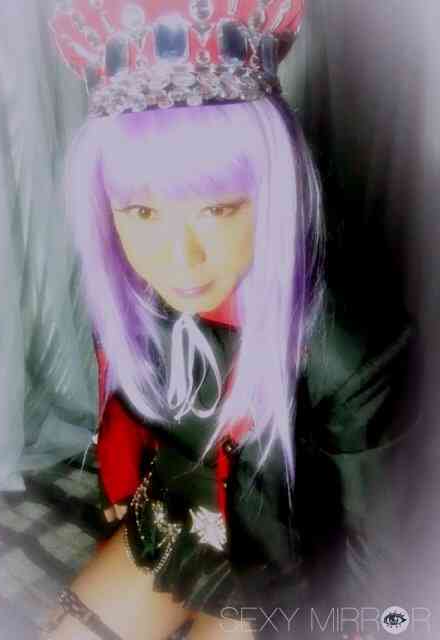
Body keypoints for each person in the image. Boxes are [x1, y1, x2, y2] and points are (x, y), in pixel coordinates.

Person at [42, 1, 415, 639]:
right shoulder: (138, 290)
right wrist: (122, 485)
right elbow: (124, 400)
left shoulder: (354, 352)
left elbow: (381, 551)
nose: (179, 260)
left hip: (289, 569)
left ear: (271, 193)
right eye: (142, 212)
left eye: (216, 209)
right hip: (179, 521)